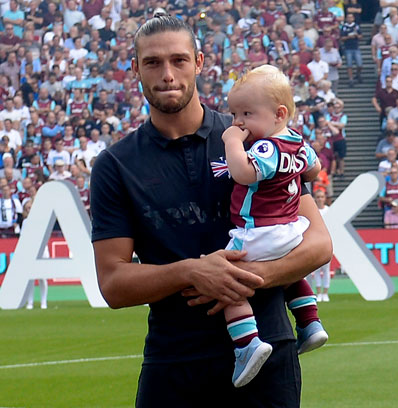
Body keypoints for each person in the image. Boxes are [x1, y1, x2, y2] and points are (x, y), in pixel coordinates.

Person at [90, 16, 331, 407]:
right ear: (134, 69)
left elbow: (319, 244)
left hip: (269, 352)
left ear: (199, 63)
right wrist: (191, 271)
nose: (167, 74)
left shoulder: (255, 137)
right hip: (173, 363)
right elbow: (113, 283)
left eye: (179, 60)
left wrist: (244, 278)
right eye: (152, 63)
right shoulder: (115, 165)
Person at [220, 64, 328, 387]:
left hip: (257, 231)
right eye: (234, 115)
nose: (238, 123)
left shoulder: (265, 147)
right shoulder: (296, 142)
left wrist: (231, 141)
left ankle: (247, 343)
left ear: (279, 114)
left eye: (246, 114)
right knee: (292, 275)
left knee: (225, 282)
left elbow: (242, 172)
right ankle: (310, 322)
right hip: (290, 229)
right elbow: (315, 167)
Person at [309, 189, 331, 302]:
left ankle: (325, 293)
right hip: (316, 242)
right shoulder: (313, 210)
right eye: (318, 197)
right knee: (317, 269)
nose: (320, 199)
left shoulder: (329, 211)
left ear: (325, 198)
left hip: (327, 241)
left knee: (326, 269)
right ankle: (318, 292)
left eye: (322, 197)